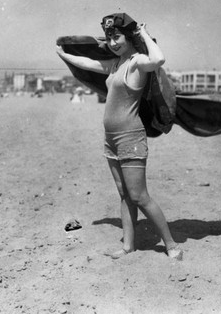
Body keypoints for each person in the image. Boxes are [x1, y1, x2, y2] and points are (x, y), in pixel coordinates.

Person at [56, 13, 183, 260]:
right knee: (124, 194)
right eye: (110, 38)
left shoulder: (137, 62)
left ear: (129, 38)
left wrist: (143, 33)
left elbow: (159, 59)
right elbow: (88, 63)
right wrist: (63, 55)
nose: (113, 43)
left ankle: (171, 245)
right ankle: (128, 246)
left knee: (140, 196)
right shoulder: (115, 65)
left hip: (130, 137)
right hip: (111, 138)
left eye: (117, 37)